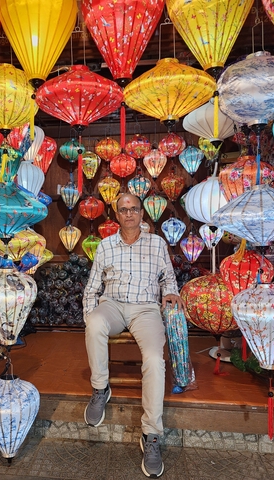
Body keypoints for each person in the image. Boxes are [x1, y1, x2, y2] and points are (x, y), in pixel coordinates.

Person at [82, 193, 181, 479]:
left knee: (153, 359)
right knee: (95, 324)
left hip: (145, 309)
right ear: (116, 216)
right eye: (123, 210)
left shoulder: (157, 243)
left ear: (141, 213)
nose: (129, 214)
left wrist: (171, 292)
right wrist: (90, 315)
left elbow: (168, 278)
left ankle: (151, 434)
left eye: (133, 209)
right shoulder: (105, 246)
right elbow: (92, 287)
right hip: (111, 305)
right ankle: (100, 388)